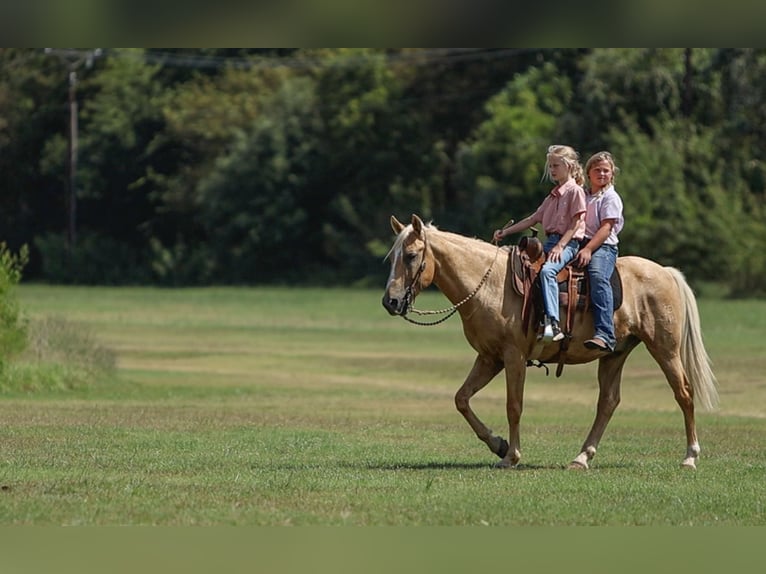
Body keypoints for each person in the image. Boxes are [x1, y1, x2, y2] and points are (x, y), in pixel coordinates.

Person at [493, 145, 587, 342]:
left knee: (547, 271)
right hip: (551, 241)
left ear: (569, 166)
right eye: (550, 166)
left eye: (556, 165)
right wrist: (506, 231)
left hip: (568, 243)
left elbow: (577, 222)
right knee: (527, 271)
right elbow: (532, 219)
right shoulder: (552, 196)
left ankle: (554, 323)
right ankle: (535, 321)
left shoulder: (575, 191)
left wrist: (561, 246)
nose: (552, 170)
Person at [574, 151, 624, 353]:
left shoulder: (611, 197)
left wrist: (588, 249)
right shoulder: (584, 194)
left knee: (597, 275)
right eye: (597, 170)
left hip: (603, 246)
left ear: (612, 174)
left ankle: (605, 333)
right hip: (579, 242)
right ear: (588, 173)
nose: (602, 174)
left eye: (606, 170)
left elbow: (606, 228)